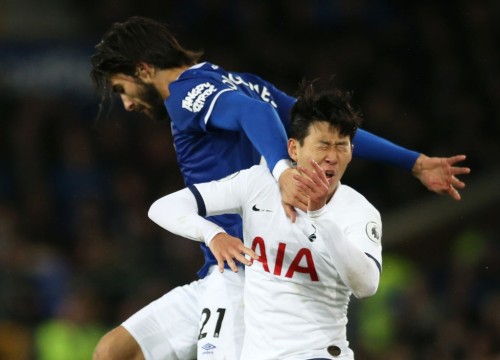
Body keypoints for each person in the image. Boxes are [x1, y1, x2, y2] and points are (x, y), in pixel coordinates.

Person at [90, 16, 469, 360]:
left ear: (142, 69)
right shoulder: (242, 82)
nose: (125, 103)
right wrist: (413, 161)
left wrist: (283, 171)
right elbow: (322, 128)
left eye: (122, 89)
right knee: (113, 351)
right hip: (217, 269)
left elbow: (257, 115)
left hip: (248, 275)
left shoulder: (185, 96)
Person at [148, 79, 381, 359]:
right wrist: (214, 235)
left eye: (342, 146)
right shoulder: (258, 184)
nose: (332, 157)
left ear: (352, 152)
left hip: (319, 354)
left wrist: (320, 215)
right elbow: (163, 207)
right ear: (294, 149)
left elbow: (366, 286)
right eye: (323, 145)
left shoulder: (358, 210)